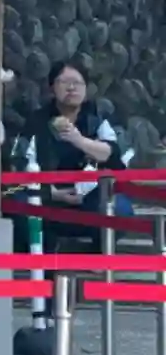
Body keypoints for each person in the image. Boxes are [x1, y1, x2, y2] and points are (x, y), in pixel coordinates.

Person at [13, 57, 131, 249]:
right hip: (49, 198)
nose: (71, 88)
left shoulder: (97, 116)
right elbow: (20, 162)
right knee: (19, 204)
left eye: (77, 82)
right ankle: (44, 256)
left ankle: (97, 253)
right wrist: (52, 193)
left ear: (86, 88)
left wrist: (79, 140)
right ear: (52, 87)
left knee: (120, 208)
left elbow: (113, 154)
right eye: (64, 82)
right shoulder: (37, 120)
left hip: (90, 198)